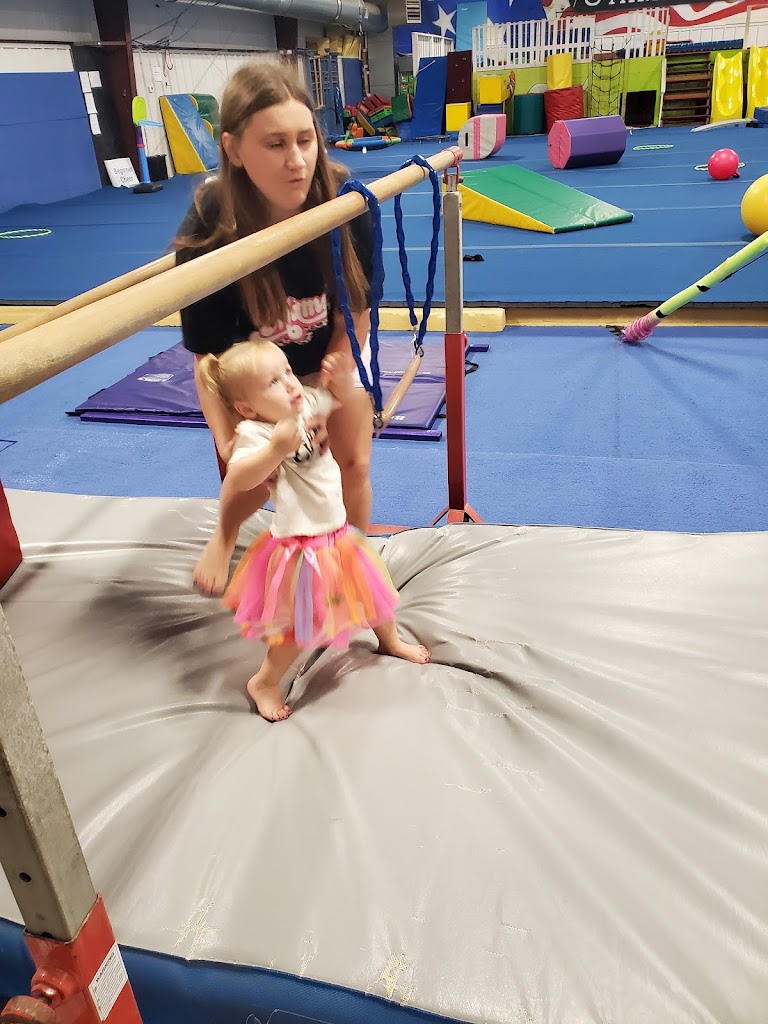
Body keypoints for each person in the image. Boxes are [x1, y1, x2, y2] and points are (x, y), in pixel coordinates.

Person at [174, 62, 376, 598]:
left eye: (305, 139)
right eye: (275, 144)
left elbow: (356, 313)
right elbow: (209, 361)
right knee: (257, 472)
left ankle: (349, 570)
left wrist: (333, 380)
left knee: (352, 459)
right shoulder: (209, 229)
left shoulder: (346, 201)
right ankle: (225, 533)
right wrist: (227, 441)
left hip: (329, 352)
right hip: (254, 371)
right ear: (235, 149)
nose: (297, 161)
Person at [198, 339, 430, 721]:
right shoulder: (257, 433)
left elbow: (332, 401)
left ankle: (390, 641)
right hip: (303, 547)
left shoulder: (302, 402)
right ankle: (265, 682)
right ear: (247, 408)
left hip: (338, 533)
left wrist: (339, 383)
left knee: (374, 590)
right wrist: (274, 450)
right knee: (301, 626)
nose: (290, 383)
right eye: (273, 382)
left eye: (287, 371)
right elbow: (240, 477)